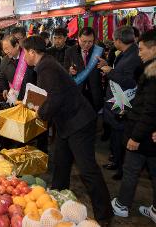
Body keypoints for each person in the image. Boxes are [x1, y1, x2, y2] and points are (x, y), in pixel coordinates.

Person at [23, 35, 113, 224]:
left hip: (78, 123)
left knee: (88, 170)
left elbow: (53, 98)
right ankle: (55, 203)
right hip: (67, 123)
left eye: (25, 52)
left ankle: (104, 215)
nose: (24, 57)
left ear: (32, 52)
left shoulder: (46, 67)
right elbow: (46, 95)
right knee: (61, 163)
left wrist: (39, 114)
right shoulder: (46, 64)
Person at [111, 29, 156, 224]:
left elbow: (150, 110)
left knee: (131, 170)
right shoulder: (149, 68)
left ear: (154, 49)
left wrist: (136, 137)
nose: (139, 53)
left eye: (142, 49)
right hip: (149, 132)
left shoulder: (153, 74)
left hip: (143, 134)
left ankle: (122, 205)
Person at [97, 26, 142, 180]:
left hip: (124, 103)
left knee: (121, 138)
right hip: (115, 103)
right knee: (116, 136)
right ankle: (116, 161)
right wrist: (107, 66)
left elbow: (129, 82)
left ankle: (122, 168)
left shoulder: (134, 56)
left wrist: (110, 72)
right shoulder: (125, 53)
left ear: (118, 40)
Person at [0, 33, 39, 150]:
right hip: (13, 101)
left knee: (28, 134)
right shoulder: (5, 60)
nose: (6, 52)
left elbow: (37, 79)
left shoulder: (29, 57)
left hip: (29, 102)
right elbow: (1, 78)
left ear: (17, 45)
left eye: (8, 49)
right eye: (4, 49)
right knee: (13, 132)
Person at [64, 27, 104, 113]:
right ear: (78, 39)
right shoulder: (70, 51)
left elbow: (104, 70)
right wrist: (69, 71)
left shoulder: (99, 51)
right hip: (77, 91)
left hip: (94, 92)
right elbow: (64, 70)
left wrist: (104, 65)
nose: (86, 44)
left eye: (90, 42)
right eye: (84, 41)